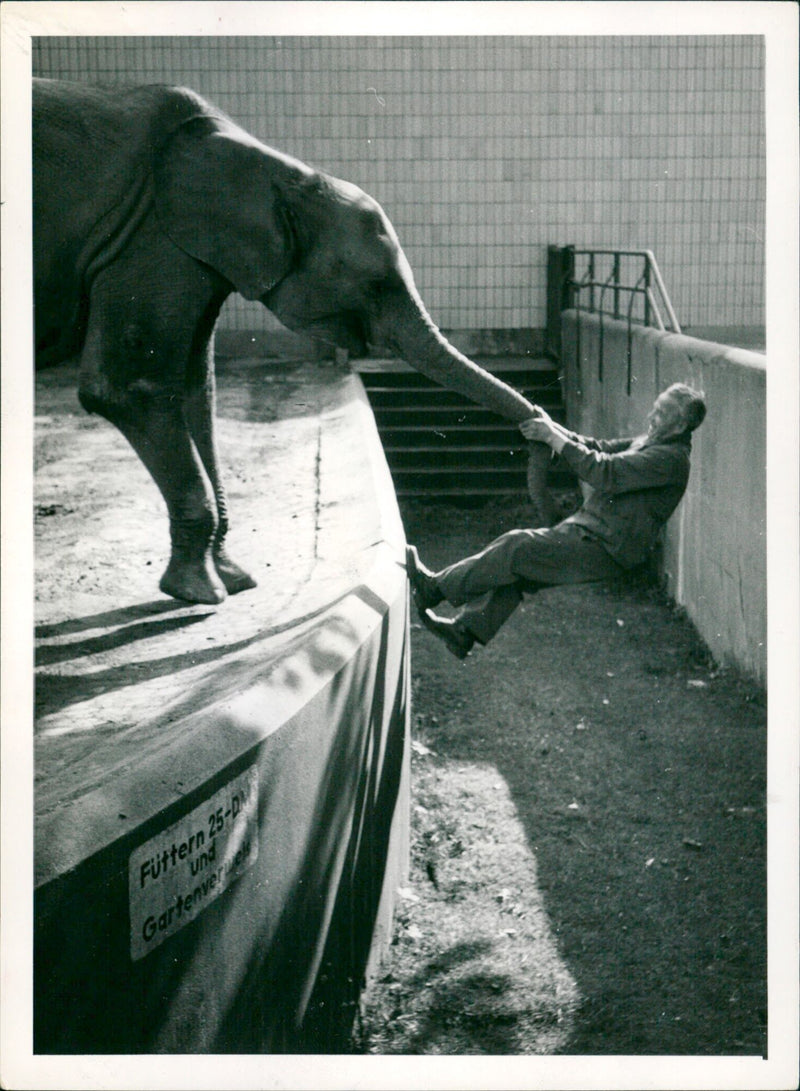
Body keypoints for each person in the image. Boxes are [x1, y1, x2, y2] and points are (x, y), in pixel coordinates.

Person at [406, 382, 707, 659]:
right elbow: (598, 447)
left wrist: (552, 436)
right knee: (518, 570)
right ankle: (464, 633)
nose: (652, 415)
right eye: (656, 406)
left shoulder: (671, 459)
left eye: (662, 412)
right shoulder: (652, 441)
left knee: (517, 546)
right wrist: (553, 430)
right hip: (590, 532)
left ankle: (435, 589)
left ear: (681, 424)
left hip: (605, 548)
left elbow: (606, 472)